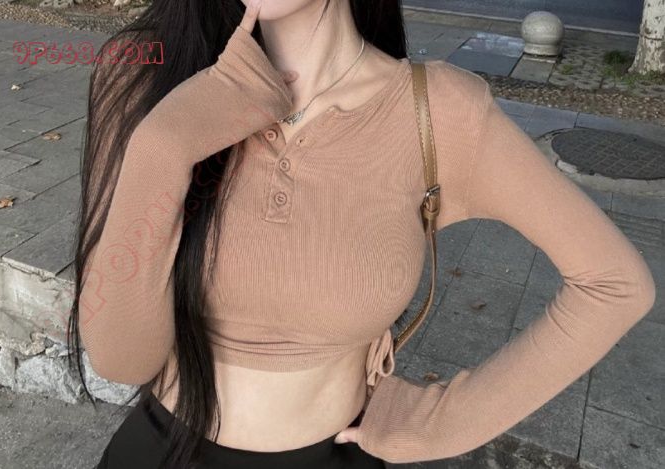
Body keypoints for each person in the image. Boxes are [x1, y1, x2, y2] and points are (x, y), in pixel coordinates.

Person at [70, 0, 657, 468]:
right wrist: (164, 149)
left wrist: (445, 422)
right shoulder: (144, 76)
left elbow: (614, 284)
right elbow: (122, 359)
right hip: (159, 450)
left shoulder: (439, 112)